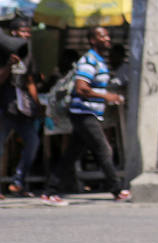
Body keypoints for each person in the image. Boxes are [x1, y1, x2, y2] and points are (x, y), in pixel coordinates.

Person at [42, 26, 128, 204]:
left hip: (88, 113)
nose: (107, 39)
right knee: (104, 149)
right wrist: (106, 96)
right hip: (83, 113)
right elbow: (81, 88)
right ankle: (117, 190)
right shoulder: (89, 61)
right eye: (102, 36)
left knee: (71, 154)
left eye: (107, 36)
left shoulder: (98, 61)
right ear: (92, 40)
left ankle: (50, 191)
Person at [1, 17, 43, 197]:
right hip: (4, 107)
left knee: (33, 143)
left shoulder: (27, 53)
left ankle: (18, 182)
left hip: (22, 109)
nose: (26, 35)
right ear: (13, 33)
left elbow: (30, 80)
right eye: (23, 32)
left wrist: (38, 103)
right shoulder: (3, 53)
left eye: (28, 32)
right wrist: (9, 65)